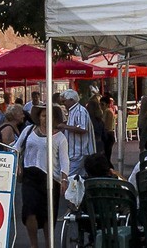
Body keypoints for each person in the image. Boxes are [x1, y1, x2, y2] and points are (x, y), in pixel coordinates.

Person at [17, 105, 68, 248]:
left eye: (49, 116)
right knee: (29, 210)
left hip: (51, 178)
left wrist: (64, 178)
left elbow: (64, 160)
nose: (46, 118)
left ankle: (48, 244)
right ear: (39, 117)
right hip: (30, 176)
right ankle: (34, 245)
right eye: (44, 115)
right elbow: (16, 147)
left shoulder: (60, 137)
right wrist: (16, 164)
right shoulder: (28, 131)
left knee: (48, 215)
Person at [62, 89, 96, 177]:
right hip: (77, 152)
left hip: (79, 152)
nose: (63, 103)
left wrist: (64, 126)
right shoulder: (73, 111)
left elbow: (82, 129)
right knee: (80, 178)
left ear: (71, 100)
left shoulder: (80, 111)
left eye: (64, 101)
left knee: (69, 177)